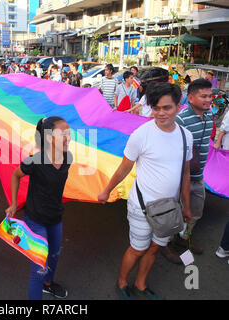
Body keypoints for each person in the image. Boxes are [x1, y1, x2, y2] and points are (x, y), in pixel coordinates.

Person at [98, 82, 193, 300]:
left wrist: (186, 206)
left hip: (169, 208)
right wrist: (106, 190)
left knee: (155, 248)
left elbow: (185, 173)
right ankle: (122, 282)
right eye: (156, 107)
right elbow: (124, 167)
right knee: (138, 248)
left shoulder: (185, 136)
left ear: (179, 106)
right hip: (141, 205)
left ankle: (141, 284)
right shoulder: (141, 134)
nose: (160, 113)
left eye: (167, 107)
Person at [5, 116, 73, 300]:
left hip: (55, 217)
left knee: (55, 254)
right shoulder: (35, 161)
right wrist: (13, 204)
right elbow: (15, 176)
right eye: (63, 134)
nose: (68, 137)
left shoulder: (68, 157)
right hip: (35, 219)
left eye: (69, 133)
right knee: (38, 269)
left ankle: (48, 284)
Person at [161, 79, 214, 263]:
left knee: (195, 212)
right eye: (204, 96)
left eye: (210, 95)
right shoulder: (181, 120)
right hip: (180, 178)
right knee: (173, 212)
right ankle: (165, 245)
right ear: (190, 98)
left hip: (199, 177)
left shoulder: (209, 116)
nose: (208, 100)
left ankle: (183, 239)